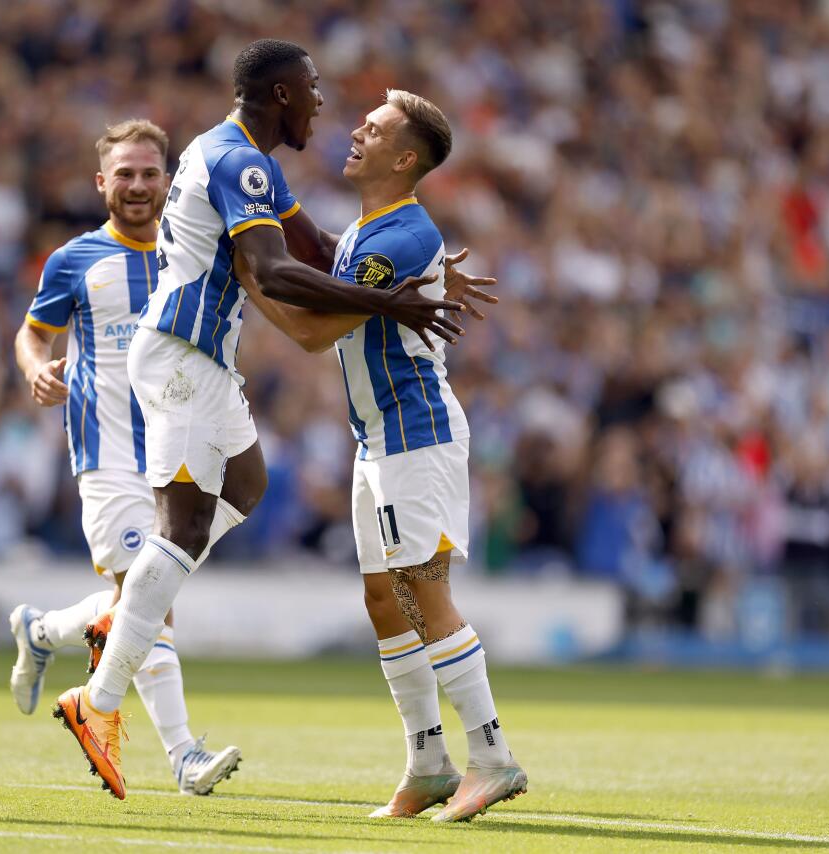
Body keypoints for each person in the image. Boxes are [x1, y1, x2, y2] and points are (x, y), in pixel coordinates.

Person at [51, 39, 469, 801]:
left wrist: (424, 273)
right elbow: (276, 271)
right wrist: (391, 302)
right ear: (280, 95)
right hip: (183, 351)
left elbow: (319, 249)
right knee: (180, 529)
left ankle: (129, 610)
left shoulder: (243, 160)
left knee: (247, 484)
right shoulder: (239, 162)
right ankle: (98, 700)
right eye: (311, 90)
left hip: (198, 358)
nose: (321, 104)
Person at [240, 90, 526, 823]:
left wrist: (247, 277)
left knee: (423, 594)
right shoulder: (380, 231)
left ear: (405, 159)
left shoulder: (395, 240)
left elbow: (312, 331)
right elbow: (334, 258)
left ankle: (491, 757)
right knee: (382, 598)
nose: (356, 131)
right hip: (378, 438)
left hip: (413, 434)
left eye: (376, 129)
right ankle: (428, 762)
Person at [10, 119, 241, 795]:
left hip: (181, 456)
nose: (139, 186)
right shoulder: (75, 260)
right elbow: (33, 333)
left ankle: (43, 630)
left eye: (150, 173)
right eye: (126, 174)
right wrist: (34, 369)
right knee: (154, 608)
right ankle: (183, 755)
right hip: (107, 456)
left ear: (169, 180)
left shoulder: (195, 254)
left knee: (132, 601)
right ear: (101, 182)